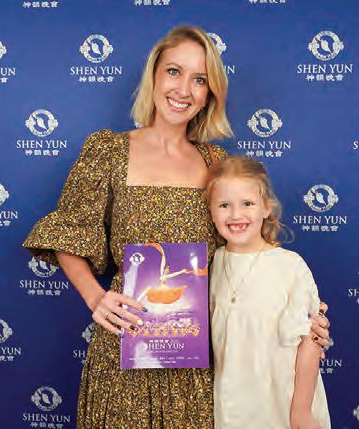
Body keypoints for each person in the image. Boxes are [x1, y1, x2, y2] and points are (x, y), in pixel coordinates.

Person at [23, 26, 330, 429]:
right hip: (124, 349)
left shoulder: (215, 162)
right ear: (154, 75)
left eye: (199, 79)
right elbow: (68, 231)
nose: (184, 89)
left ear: (209, 93)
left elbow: (246, 255)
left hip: (197, 362)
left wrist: (301, 314)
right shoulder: (108, 151)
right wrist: (96, 298)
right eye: (174, 71)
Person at [206, 156, 331, 429]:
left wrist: (301, 410)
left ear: (266, 208)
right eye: (224, 205)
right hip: (232, 406)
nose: (236, 215)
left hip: (285, 403)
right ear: (211, 212)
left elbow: (310, 340)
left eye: (247, 204)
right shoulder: (212, 264)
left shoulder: (289, 266)